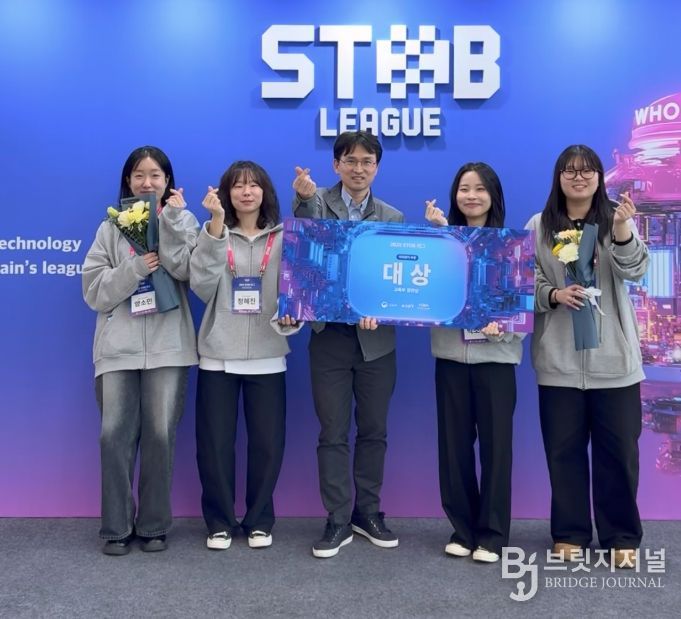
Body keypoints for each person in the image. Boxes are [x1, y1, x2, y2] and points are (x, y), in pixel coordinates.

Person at [526, 144, 648, 569]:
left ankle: (621, 536)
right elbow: (526, 280)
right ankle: (570, 533)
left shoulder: (616, 218)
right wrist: (554, 294)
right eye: (570, 171)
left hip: (615, 364)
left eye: (587, 171)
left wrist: (622, 230)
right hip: (558, 364)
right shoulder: (540, 225)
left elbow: (636, 270)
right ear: (558, 177)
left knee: (619, 455)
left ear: (599, 177)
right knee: (563, 453)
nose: (579, 178)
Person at [82, 145, 198, 555]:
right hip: (117, 349)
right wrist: (134, 268)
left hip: (169, 347)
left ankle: (153, 526)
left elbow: (189, 273)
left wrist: (173, 224)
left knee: (160, 437)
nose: (147, 182)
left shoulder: (184, 220)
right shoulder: (109, 228)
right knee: (113, 436)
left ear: (168, 181)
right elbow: (94, 292)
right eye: (139, 175)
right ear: (128, 181)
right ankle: (116, 528)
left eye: (155, 175)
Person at [293, 130, 404, 558]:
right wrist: (303, 198)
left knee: (374, 430)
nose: (359, 169)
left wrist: (383, 308)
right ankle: (337, 518)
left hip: (377, 342)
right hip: (330, 337)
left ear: (377, 167)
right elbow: (305, 236)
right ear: (336, 164)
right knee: (333, 432)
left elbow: (396, 279)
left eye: (367, 162)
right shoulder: (317, 200)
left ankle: (367, 513)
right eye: (351, 161)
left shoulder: (392, 216)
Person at [190, 161, 301, 551]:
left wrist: (291, 318)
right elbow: (201, 287)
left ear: (265, 192)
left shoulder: (283, 237)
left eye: (253, 185)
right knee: (214, 446)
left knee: (267, 447)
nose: (246, 192)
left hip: (268, 356)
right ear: (226, 193)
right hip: (218, 355)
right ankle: (219, 522)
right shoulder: (213, 234)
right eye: (238, 186)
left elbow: (296, 292)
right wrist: (216, 227)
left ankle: (259, 521)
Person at [425, 162, 522, 563]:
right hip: (451, 358)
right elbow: (425, 293)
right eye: (464, 188)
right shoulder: (442, 243)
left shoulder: (512, 246)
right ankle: (462, 530)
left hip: (496, 360)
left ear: (493, 196)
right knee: (454, 448)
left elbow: (522, 305)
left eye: (480, 189)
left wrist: (506, 329)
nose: (471, 196)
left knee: (497, 449)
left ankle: (493, 535)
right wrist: (439, 237)